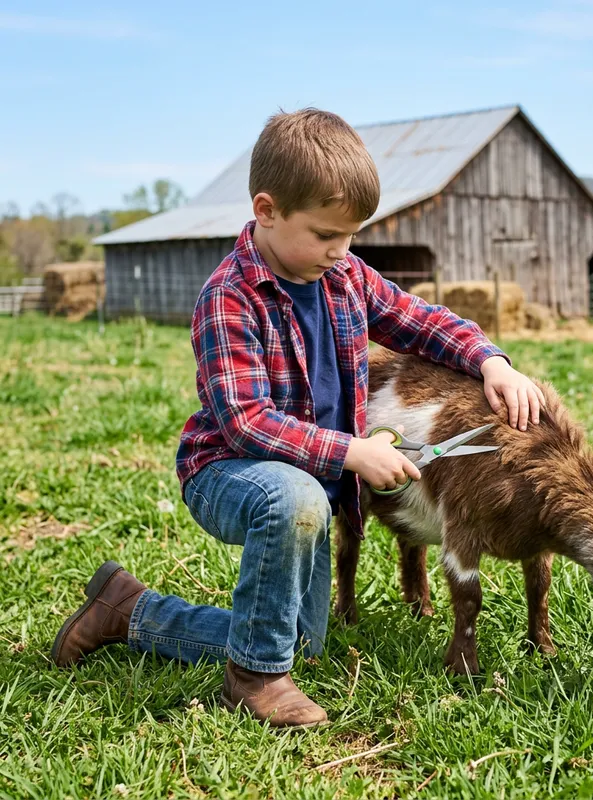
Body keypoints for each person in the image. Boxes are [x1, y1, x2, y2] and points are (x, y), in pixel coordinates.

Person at [50, 109, 545, 728]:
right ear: (266, 210)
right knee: (294, 499)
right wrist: (350, 452)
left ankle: (128, 611)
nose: (340, 252)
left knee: (299, 640)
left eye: (350, 237)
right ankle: (254, 681)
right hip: (232, 473)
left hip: (306, 486)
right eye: (324, 235)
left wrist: (491, 360)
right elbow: (247, 422)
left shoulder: (345, 278)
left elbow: (421, 321)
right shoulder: (229, 296)